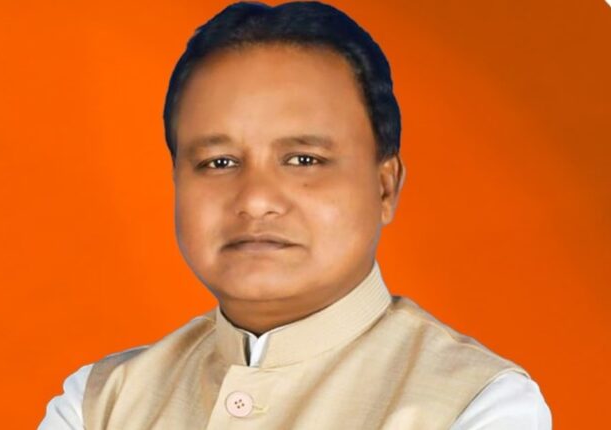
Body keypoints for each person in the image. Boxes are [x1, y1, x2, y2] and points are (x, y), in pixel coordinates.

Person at [39, 1, 552, 428]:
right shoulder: (98, 402)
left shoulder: (479, 403)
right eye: (219, 162)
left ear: (385, 186)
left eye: (304, 160)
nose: (256, 199)